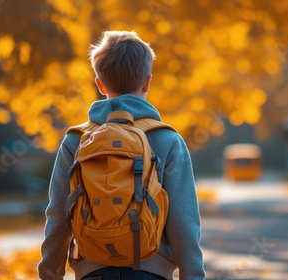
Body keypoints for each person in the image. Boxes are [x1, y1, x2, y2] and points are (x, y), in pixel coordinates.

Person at [38, 30, 205, 280]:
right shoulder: (167, 140)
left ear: (100, 84)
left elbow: (59, 216)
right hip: (151, 271)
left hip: (92, 272)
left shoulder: (76, 140)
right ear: (147, 82)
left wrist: (50, 273)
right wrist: (193, 276)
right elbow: (183, 222)